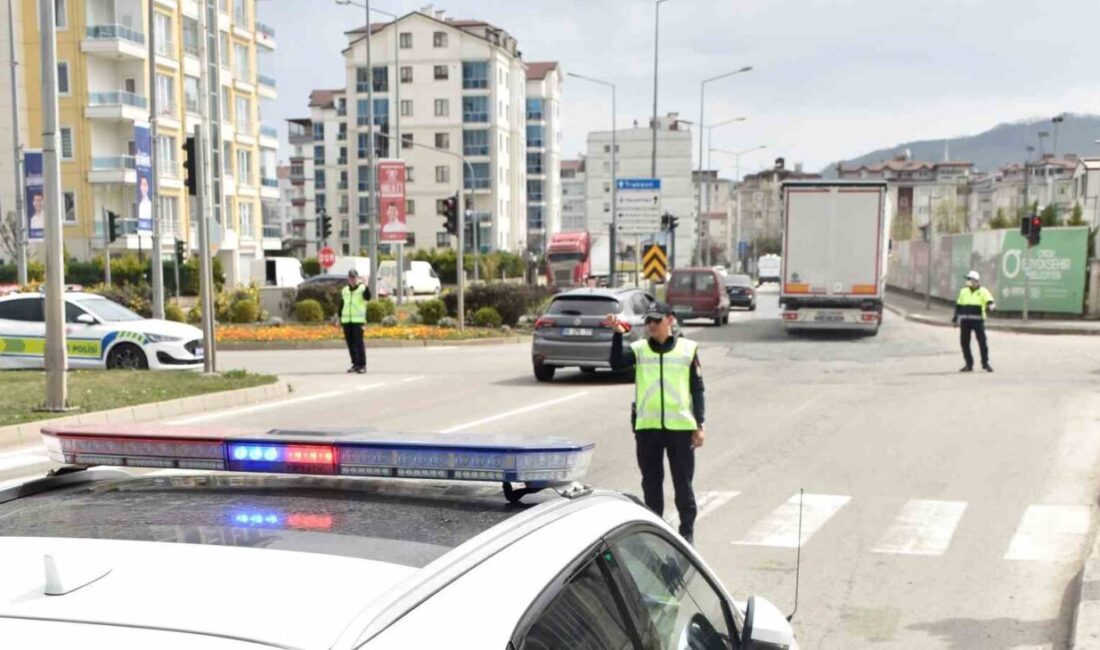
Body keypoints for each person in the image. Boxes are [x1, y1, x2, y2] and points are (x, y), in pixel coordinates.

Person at [608, 301, 706, 543]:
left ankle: (687, 533)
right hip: (647, 429)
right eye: (648, 321)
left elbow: (697, 389)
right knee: (651, 486)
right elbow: (616, 363)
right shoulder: (640, 349)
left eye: (656, 320)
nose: (651, 325)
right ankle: (656, 535)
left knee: (683, 485)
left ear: (670, 320)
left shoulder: (687, 349)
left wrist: (700, 425)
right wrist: (617, 336)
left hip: (681, 429)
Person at [953, 270, 995, 373]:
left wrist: (990, 308)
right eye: (967, 279)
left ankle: (985, 363)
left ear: (975, 281)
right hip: (965, 321)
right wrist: (955, 318)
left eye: (969, 279)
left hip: (978, 321)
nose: (967, 281)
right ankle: (969, 364)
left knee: (982, 342)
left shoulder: (983, 291)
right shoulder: (963, 291)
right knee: (964, 343)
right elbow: (958, 306)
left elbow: (991, 302)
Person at [336, 269, 370, 373]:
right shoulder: (345, 290)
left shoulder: (362, 288)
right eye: (350, 277)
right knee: (350, 344)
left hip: (358, 321)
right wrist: (339, 318)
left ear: (357, 278)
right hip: (347, 320)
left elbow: (368, 297)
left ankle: (362, 365)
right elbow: (342, 304)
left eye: (354, 277)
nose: (352, 279)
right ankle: (355, 364)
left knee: (359, 343)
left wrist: (366, 285)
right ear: (348, 278)